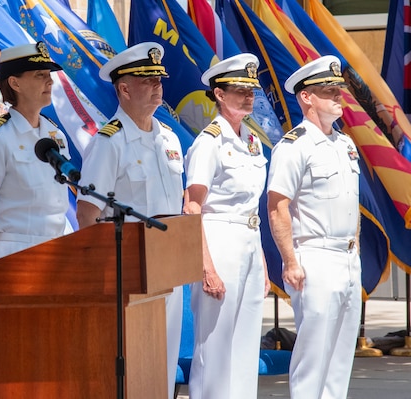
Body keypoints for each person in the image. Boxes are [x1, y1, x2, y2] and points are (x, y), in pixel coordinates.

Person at [76, 42, 184, 399]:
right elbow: (87, 214)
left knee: (164, 364)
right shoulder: (109, 143)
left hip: (168, 266)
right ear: (124, 89)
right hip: (128, 271)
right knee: (133, 365)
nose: (157, 87)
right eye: (147, 80)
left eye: (159, 80)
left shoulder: (169, 139)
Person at [0, 41, 70, 394]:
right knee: (11, 371)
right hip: (12, 258)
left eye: (49, 74)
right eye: (40, 75)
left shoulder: (54, 137)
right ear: (14, 83)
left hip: (55, 258)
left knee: (51, 369)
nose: (49, 81)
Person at [267, 55, 361, 399]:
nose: (338, 97)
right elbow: (277, 206)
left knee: (340, 358)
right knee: (314, 356)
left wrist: (356, 249)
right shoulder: (295, 146)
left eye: (339, 91)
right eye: (329, 92)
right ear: (307, 97)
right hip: (315, 257)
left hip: (347, 258)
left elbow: (353, 204)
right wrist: (290, 261)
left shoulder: (345, 144)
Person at [183, 53, 270, 399]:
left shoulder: (251, 141)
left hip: (248, 241)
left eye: (251, 90)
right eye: (239, 90)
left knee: (246, 343)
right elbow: (192, 207)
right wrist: (206, 266)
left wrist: (261, 260)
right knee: (215, 345)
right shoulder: (210, 141)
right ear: (219, 93)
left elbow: (251, 208)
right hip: (217, 240)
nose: (248, 96)